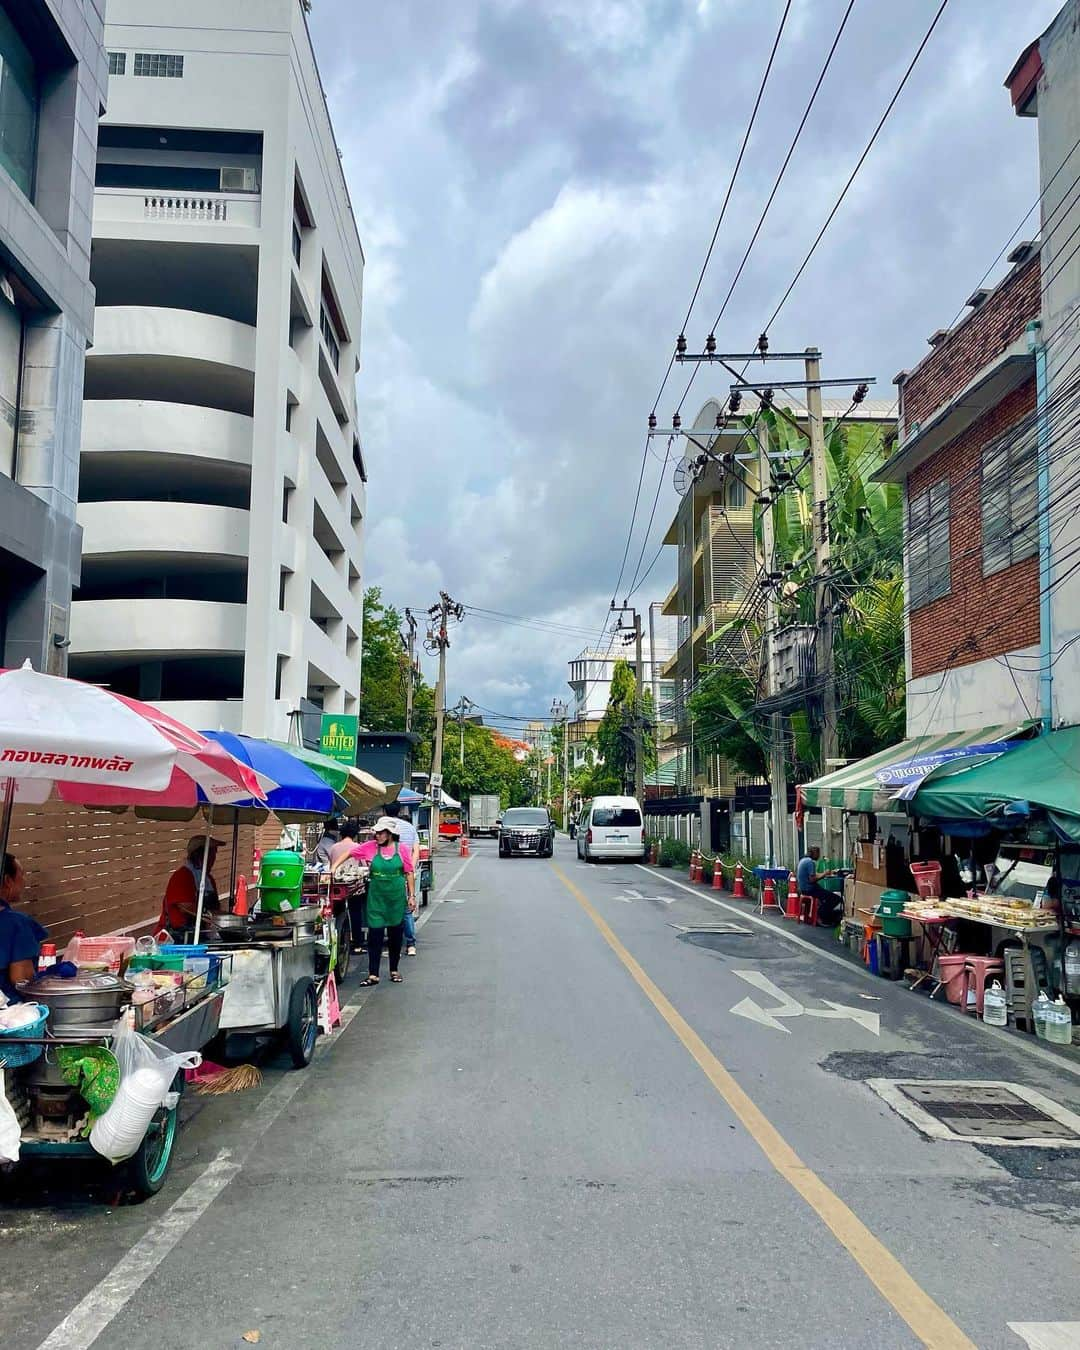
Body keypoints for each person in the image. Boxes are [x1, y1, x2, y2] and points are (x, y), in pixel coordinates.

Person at [355, 817, 415, 986]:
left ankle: (394, 970)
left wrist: (411, 896)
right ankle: (373, 974)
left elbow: (409, 872)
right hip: (376, 899)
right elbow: (350, 853)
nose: (378, 836)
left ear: (390, 834)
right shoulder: (369, 848)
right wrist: (333, 868)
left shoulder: (401, 849)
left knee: (395, 936)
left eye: (381, 833)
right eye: (377, 833)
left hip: (396, 899)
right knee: (375, 935)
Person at [0, 853, 47, 1003]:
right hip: (10, 1017)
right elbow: (23, 981)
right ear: (8, 880)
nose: (24, 881)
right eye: (22, 874)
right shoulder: (16, 924)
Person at [160, 836, 223, 940]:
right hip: (176, 939)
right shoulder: (182, 876)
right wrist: (210, 915)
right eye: (210, 853)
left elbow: (216, 909)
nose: (213, 858)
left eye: (214, 853)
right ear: (198, 855)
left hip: (201, 935)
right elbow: (186, 907)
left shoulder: (208, 879)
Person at [384, 802, 420, 955]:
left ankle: (391, 944)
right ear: (400, 811)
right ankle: (410, 944)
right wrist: (409, 869)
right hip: (406, 872)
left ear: (385, 811)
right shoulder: (410, 827)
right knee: (406, 909)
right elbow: (416, 851)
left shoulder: (383, 828)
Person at [796, 845, 842, 926]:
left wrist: (824, 874)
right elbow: (812, 879)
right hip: (810, 889)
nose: (819, 855)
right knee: (835, 898)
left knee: (826, 896)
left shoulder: (803, 860)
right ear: (814, 853)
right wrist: (824, 874)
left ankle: (822, 915)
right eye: (818, 853)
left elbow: (813, 875)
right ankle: (821, 916)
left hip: (803, 888)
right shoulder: (810, 862)